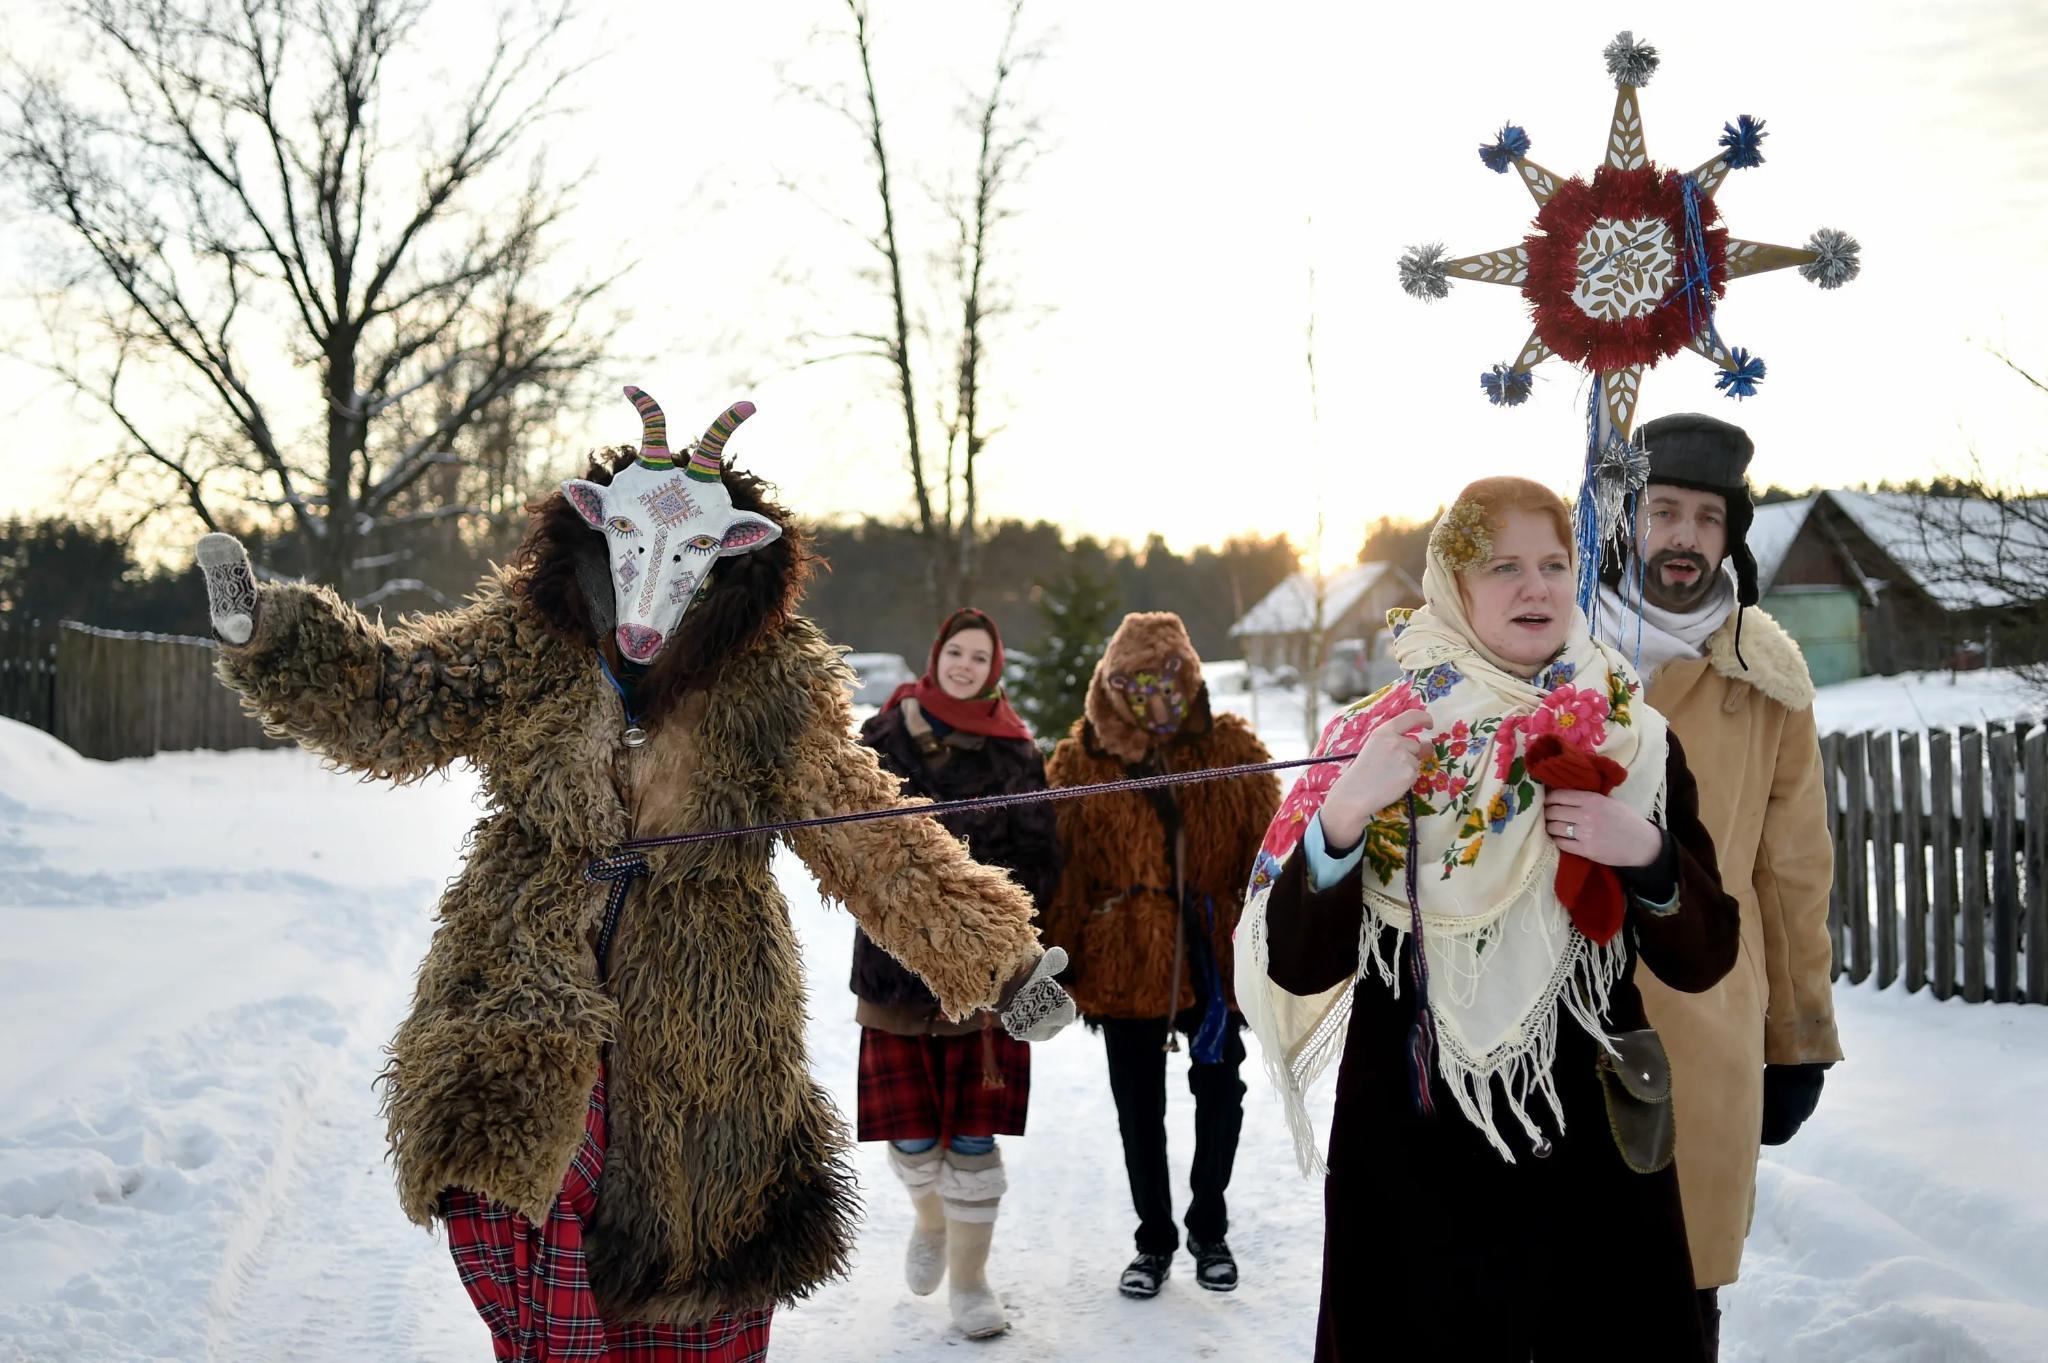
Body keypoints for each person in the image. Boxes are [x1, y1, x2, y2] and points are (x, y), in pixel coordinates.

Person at [193, 388, 1074, 1362]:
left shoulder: (771, 684)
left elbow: (872, 837)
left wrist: (1001, 962)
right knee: (517, 1204)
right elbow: (402, 700)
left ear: (732, 555)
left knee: (691, 1277)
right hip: (525, 983)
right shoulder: (526, 643)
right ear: (593, 530)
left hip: (703, 1018)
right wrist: (276, 638)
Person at [1237, 476, 1740, 1362]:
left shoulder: (1632, 734)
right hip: (1416, 1146)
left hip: (1592, 1148)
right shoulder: (1379, 734)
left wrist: (1649, 854)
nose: (1535, 587)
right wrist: (1344, 816)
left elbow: (1706, 956)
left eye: (1553, 563)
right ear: (1453, 587)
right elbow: (1299, 963)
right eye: (1503, 565)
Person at [1595, 413, 1844, 1357]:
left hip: (1704, 1024)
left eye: (1707, 516)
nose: (1686, 537)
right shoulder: (1558, 645)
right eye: (1664, 510)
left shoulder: (1767, 677)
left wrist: (1799, 1037)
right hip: (1551, 1018)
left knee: (1678, 1304)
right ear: (1627, 519)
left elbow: (1792, 874)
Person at [1041, 612, 1281, 1299]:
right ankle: (1154, 1239)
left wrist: (1263, 939)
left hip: (1211, 949)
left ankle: (1210, 1224)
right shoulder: (1082, 761)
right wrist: (1062, 955)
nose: (1156, 699)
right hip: (1127, 950)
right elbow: (1066, 871)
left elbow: (1268, 853)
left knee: (1221, 1089)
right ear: (1112, 685)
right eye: (1138, 685)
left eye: (1169, 682)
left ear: (1190, 677)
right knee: (1137, 1104)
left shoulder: (1232, 746)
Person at [850, 607, 1060, 1340]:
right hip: (894, 966)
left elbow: (1041, 863)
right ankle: (931, 1220)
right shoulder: (880, 738)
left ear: (993, 667)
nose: (966, 665)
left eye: (980, 657)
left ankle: (970, 1284)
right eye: (957, 652)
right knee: (910, 1135)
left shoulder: (1018, 753)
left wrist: (983, 913)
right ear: (936, 654)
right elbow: (846, 842)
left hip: (984, 971)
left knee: (971, 1137)